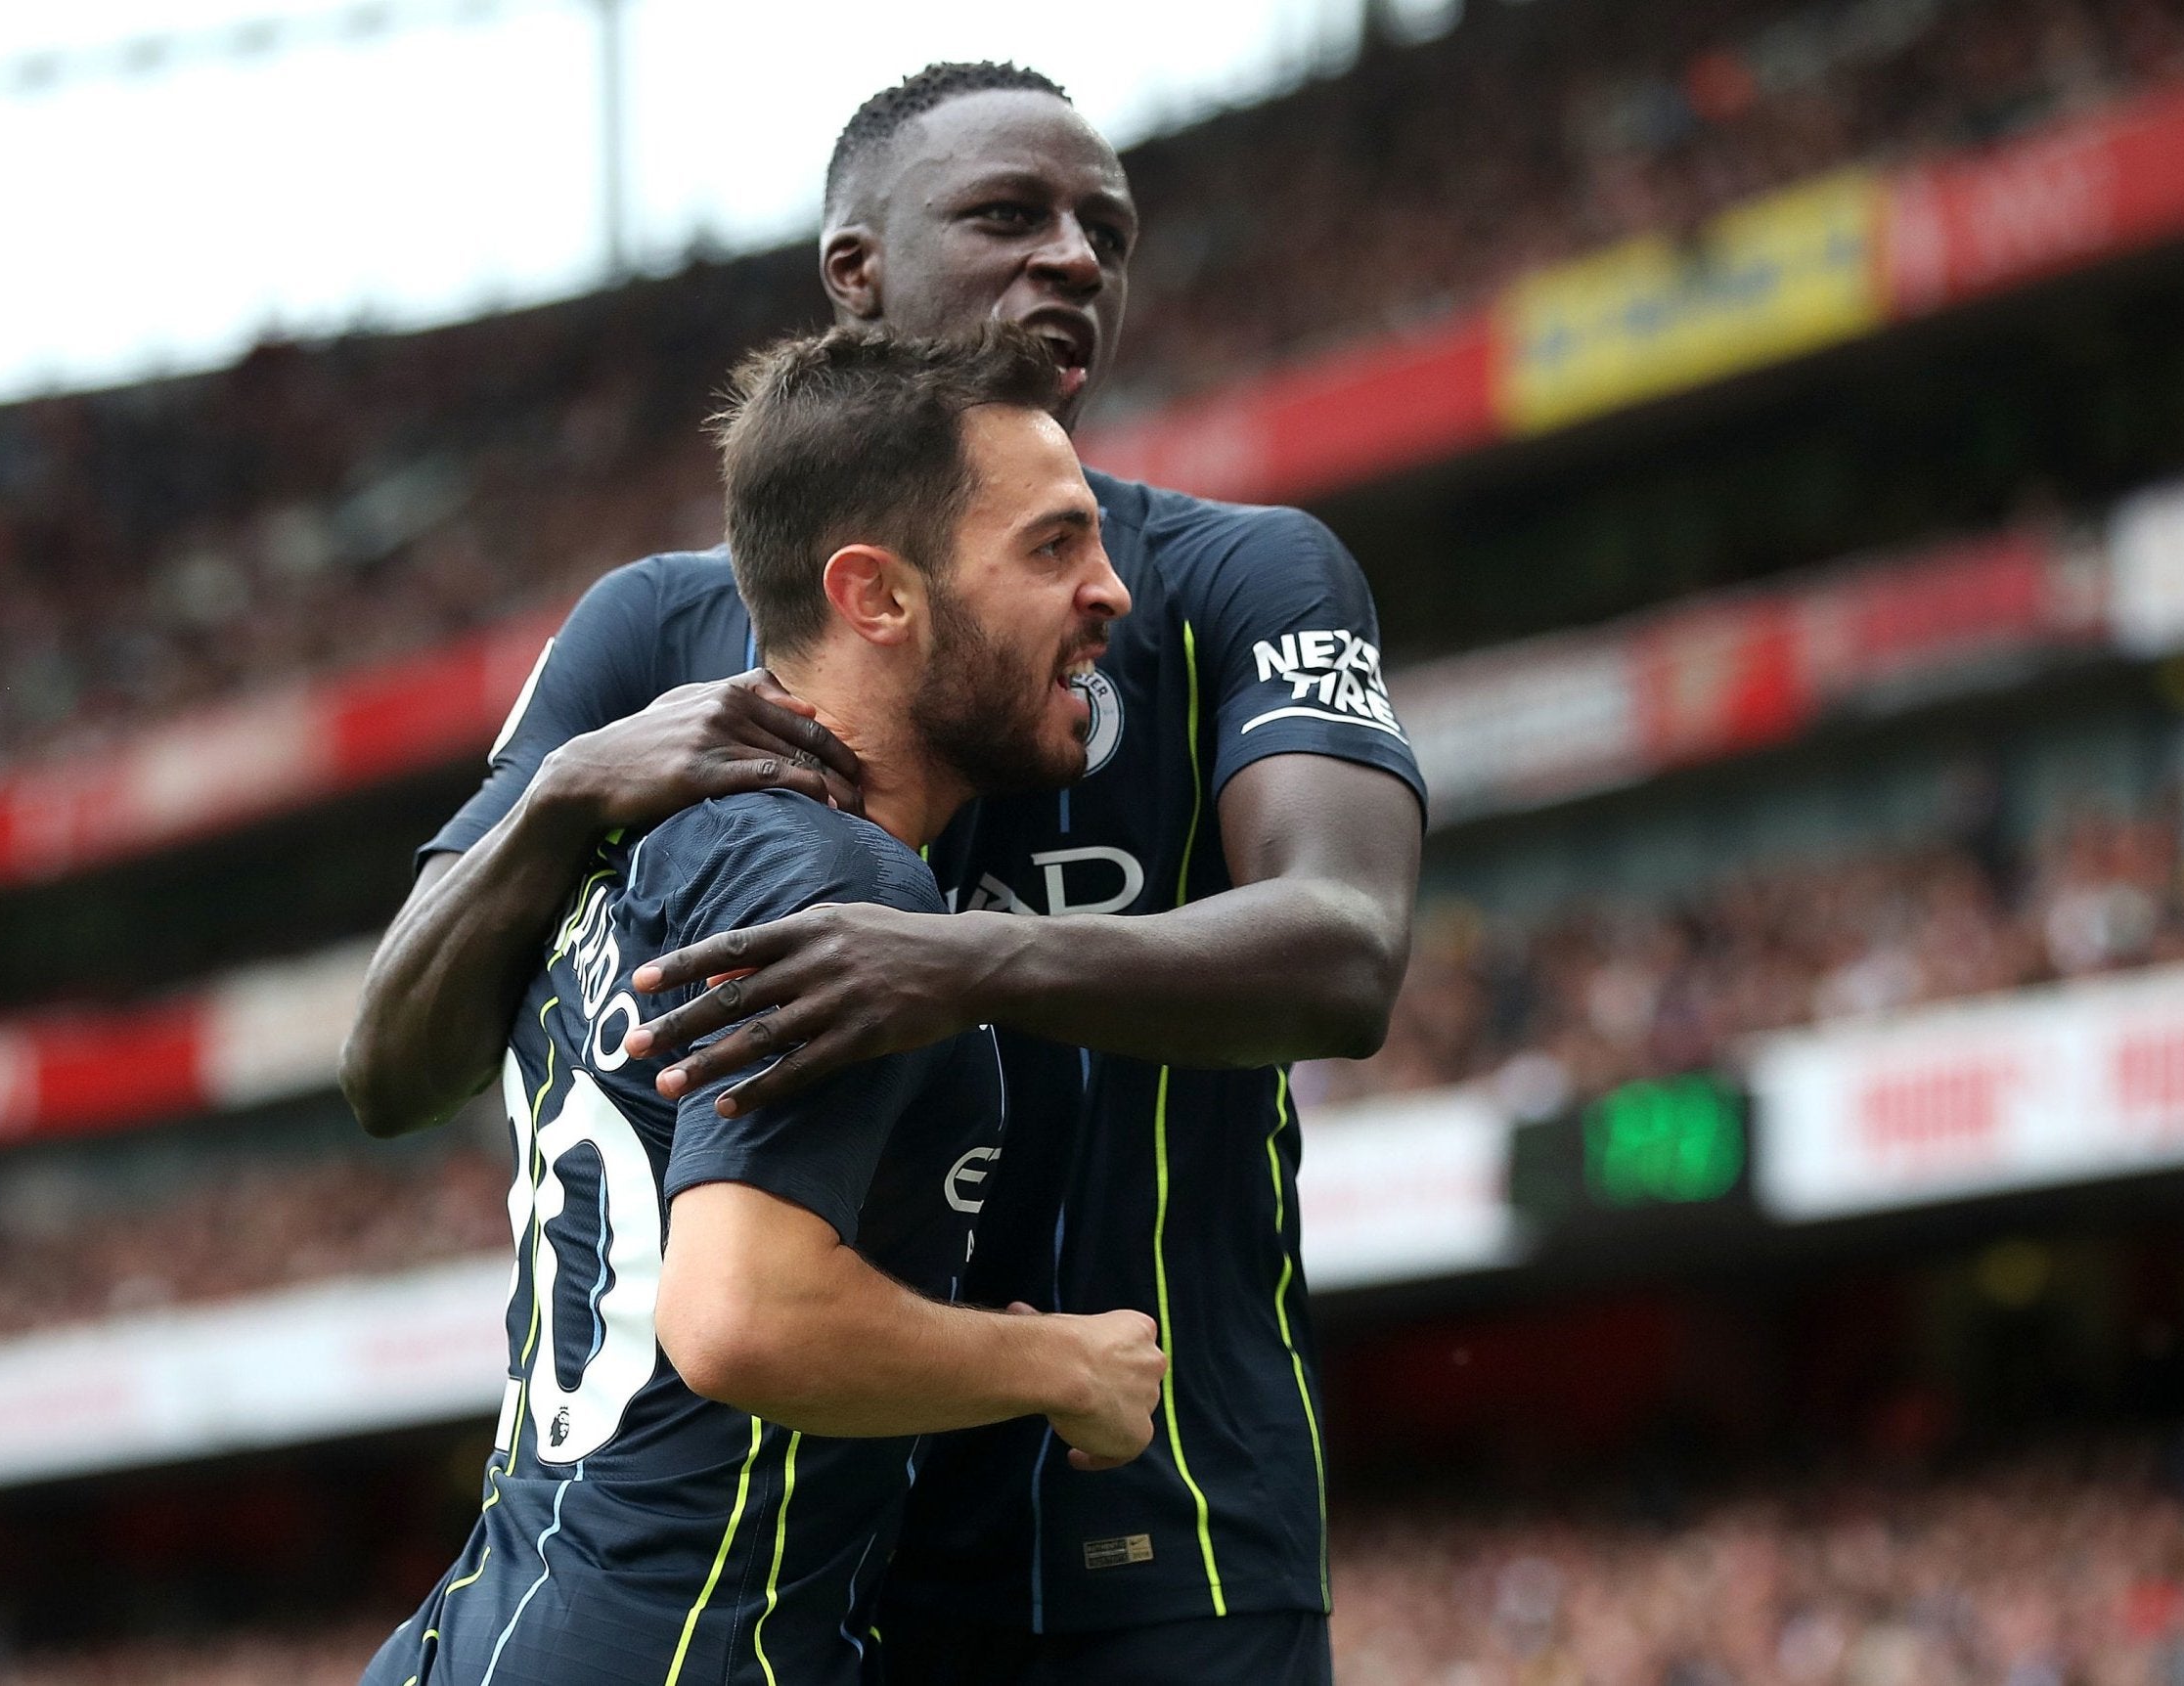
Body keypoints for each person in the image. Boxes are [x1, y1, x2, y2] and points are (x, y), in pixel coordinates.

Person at [342, 61, 1425, 1686]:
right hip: (804, 1570)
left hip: (1159, 1529)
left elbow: (1343, 954)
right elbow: (390, 1064)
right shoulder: (649, 634)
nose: (1073, 257)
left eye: (1104, 232)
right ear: (854, 274)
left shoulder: (1229, 580)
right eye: (1008, 215)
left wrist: (957, 962)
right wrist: (567, 793)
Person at [358, 326, 1163, 1686]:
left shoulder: (674, 840)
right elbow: (742, 1318)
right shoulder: (833, 881)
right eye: (1049, 548)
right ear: (877, 596)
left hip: (499, 1618)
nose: (1112, 594)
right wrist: (1058, 1367)